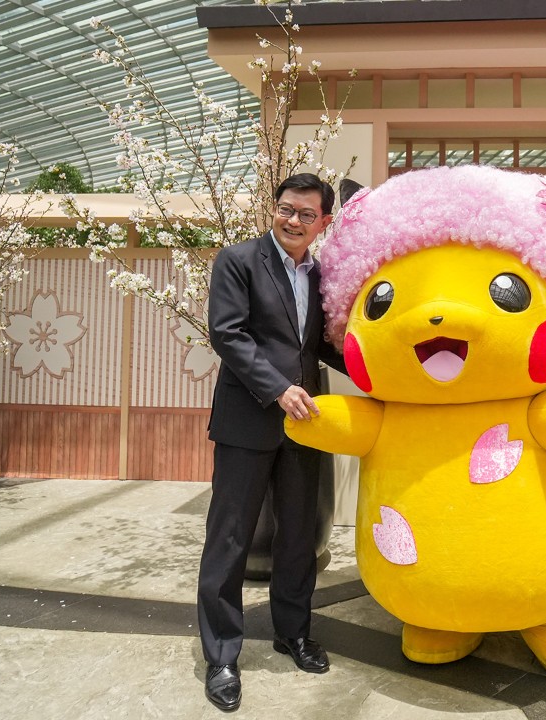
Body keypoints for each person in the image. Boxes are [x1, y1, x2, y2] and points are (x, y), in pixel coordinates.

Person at [197, 173, 347, 712]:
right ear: (275, 208)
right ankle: (221, 655)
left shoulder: (321, 275)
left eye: (307, 215)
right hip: (248, 419)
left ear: (323, 223)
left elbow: (321, 345)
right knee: (230, 538)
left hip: (305, 424)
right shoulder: (238, 261)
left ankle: (293, 633)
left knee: (298, 534)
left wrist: (384, 374)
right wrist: (279, 389)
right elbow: (228, 333)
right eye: (286, 209)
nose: (293, 221)